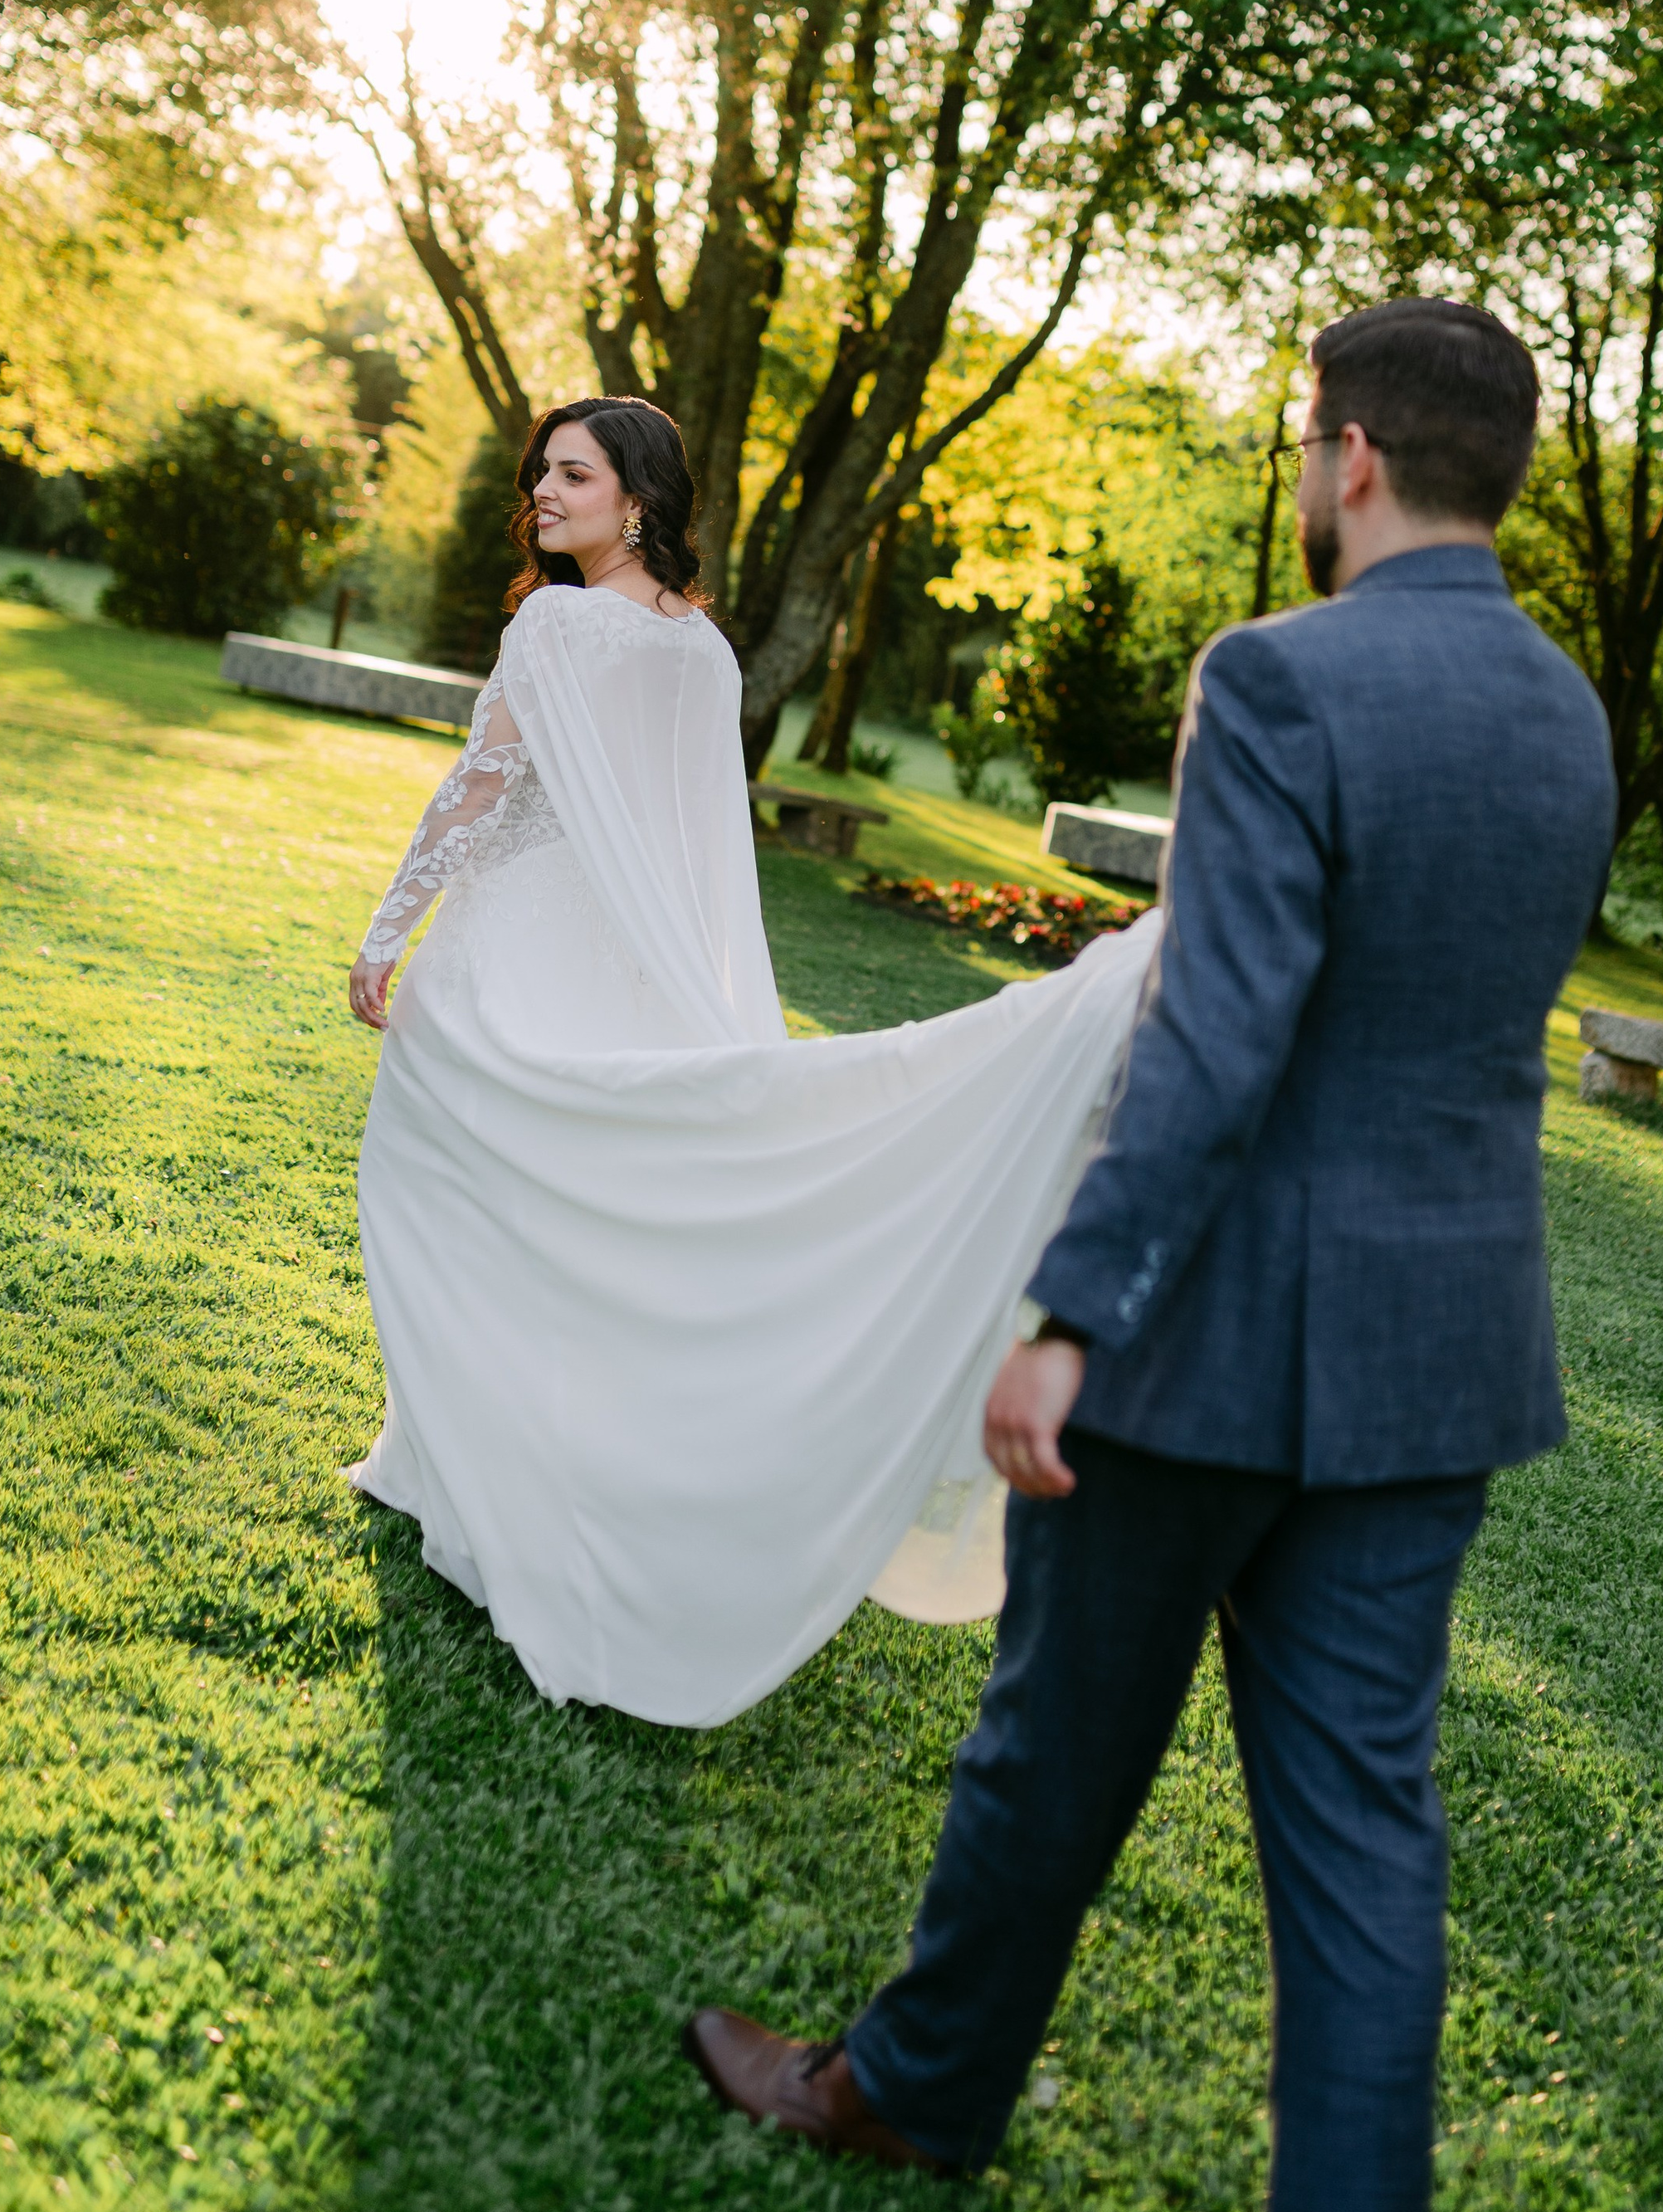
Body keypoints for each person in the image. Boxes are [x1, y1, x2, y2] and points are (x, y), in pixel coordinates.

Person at [685, 299, 1618, 2212]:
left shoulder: (1277, 679)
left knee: (1049, 1761)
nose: (1301, 479)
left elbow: (1212, 1032)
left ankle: (915, 2091)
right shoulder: (1563, 711)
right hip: (1436, 1360)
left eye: (1299, 447)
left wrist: (1070, 1314)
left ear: (1348, 456)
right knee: (1365, 1838)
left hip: (1197, 1343)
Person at [344, 394, 1159, 1726]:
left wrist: (391, 930)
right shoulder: (708, 651)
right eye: (540, 474)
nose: (541, 494)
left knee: (436, 1197)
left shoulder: (553, 623)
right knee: (568, 1231)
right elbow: (697, 849)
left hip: (510, 959)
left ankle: (470, 1481)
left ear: (641, 501)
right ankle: (443, 1458)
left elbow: (480, 789)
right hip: (628, 972)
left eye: (572, 475)